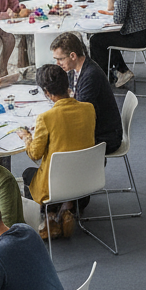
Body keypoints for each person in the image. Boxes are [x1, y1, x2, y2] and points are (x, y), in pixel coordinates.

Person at [21, 64, 96, 239]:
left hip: (55, 187)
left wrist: (26, 136)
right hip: (85, 182)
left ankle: (49, 218)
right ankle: (67, 209)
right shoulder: (89, 109)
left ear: (47, 92)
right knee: (66, 171)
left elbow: (34, 154)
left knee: (28, 175)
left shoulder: (45, 118)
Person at [50, 31, 123, 153]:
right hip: (97, 129)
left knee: (55, 141)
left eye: (60, 59)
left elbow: (79, 115)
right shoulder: (75, 70)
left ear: (73, 56)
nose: (58, 63)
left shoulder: (90, 75)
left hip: (106, 137)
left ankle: (78, 171)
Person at [89, 0, 146, 89]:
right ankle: (120, 71)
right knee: (106, 38)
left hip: (136, 37)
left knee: (96, 40)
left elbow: (118, 18)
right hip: (145, 32)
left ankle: (102, 79)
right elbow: (117, 9)